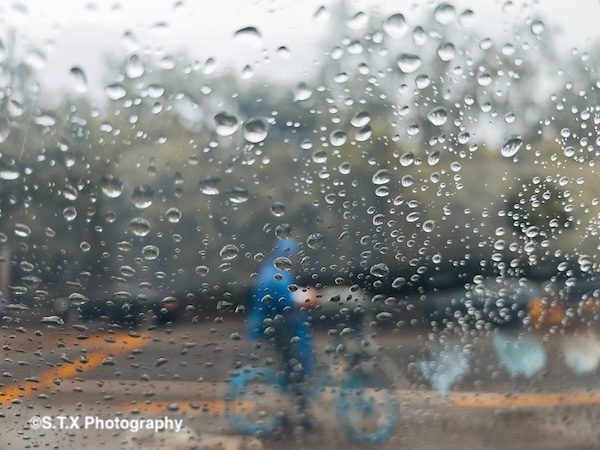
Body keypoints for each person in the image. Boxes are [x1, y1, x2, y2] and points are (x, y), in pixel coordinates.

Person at [246, 238, 315, 424]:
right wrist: (308, 299)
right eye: (292, 254)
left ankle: (292, 408)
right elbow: (289, 301)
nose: (295, 258)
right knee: (295, 363)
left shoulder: (276, 271)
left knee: (289, 364)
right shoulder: (274, 275)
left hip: (277, 325)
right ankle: (299, 413)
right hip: (274, 327)